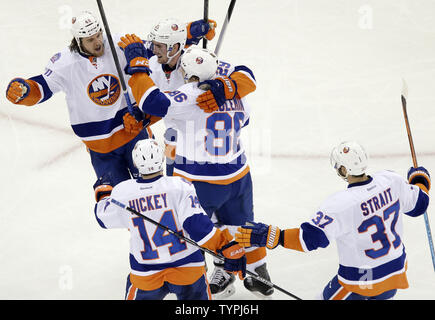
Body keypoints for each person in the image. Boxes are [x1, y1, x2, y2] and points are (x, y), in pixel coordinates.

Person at [116, 40, 273, 299]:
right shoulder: (236, 93)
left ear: (189, 75)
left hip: (198, 179)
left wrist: (137, 67)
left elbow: (152, 103)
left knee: (194, 229)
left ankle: (195, 282)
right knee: (242, 224)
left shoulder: (190, 94)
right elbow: (244, 98)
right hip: (238, 174)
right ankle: (257, 273)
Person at [5, 11, 215, 187]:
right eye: (90, 39)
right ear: (78, 41)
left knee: (155, 192)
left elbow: (156, 47)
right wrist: (25, 90)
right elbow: (42, 88)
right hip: (101, 149)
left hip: (134, 133)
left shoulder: (118, 45)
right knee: (126, 206)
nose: (97, 42)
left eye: (98, 35)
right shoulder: (64, 64)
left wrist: (189, 32)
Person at [235, 141, 431, 300]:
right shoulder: (391, 180)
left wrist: (273, 236)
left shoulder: (341, 204)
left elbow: (309, 239)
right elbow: (419, 204)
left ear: (345, 170)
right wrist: (419, 179)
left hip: (360, 282)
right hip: (394, 275)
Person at [93, 138, 246, 300]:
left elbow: (103, 218)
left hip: (146, 274)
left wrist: (104, 194)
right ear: (162, 159)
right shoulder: (179, 186)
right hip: (188, 269)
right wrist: (226, 246)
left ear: (136, 164)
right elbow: (198, 226)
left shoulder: (123, 192)